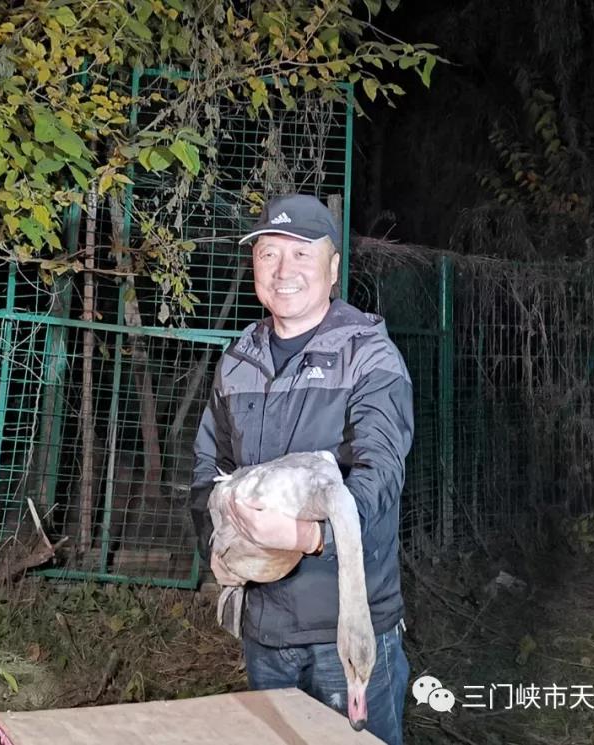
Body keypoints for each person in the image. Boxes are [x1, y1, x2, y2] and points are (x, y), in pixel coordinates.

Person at [190, 194, 414, 745]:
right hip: (264, 628)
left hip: (346, 628)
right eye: (268, 254)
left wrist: (307, 538)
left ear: (333, 268)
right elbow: (207, 469)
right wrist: (220, 551)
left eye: (301, 254)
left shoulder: (370, 355)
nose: (283, 270)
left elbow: (379, 474)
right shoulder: (238, 360)